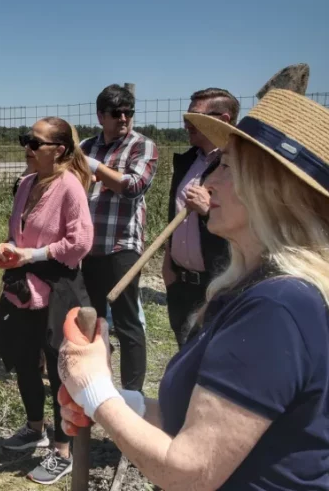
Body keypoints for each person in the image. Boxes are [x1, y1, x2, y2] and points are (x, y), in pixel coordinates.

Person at [59, 89, 329, 490]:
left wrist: (94, 389)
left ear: (272, 190)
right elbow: (196, 417)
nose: (208, 181)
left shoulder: (278, 306)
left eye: (227, 168)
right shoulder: (250, 289)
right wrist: (121, 402)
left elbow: (190, 472)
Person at [0, 118, 93, 485]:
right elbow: (17, 232)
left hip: (57, 290)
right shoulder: (27, 183)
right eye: (26, 141)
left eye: (35, 143)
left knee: (59, 367)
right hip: (23, 289)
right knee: (21, 357)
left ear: (59, 150)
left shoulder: (69, 187)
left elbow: (80, 242)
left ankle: (63, 450)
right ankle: (36, 427)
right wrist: (8, 250)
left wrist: (29, 256)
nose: (27, 148)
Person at [79, 84, 159, 392]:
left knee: (127, 323)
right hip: (87, 247)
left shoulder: (142, 146)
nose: (123, 118)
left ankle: (132, 395)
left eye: (129, 112)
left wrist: (97, 169)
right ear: (101, 116)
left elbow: (134, 186)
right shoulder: (86, 146)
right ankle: (99, 386)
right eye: (116, 113)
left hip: (121, 245)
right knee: (94, 321)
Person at [163, 88, 237, 347]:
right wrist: (167, 265)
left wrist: (208, 211)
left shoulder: (240, 166)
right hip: (180, 283)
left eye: (194, 116)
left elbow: (248, 225)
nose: (186, 124)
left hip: (218, 282)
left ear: (223, 120)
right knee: (185, 353)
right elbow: (175, 217)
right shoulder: (187, 162)